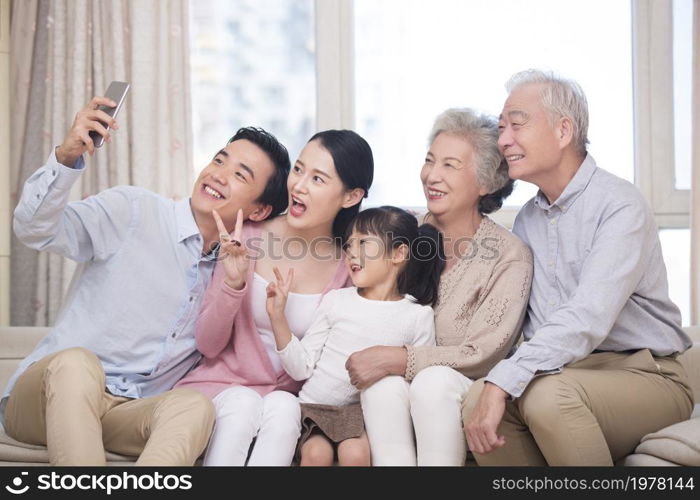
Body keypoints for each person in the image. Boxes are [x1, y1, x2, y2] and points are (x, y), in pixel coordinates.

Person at [4, 95, 291, 466]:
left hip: (125, 412)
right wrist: (66, 157)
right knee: (77, 364)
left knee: (194, 407)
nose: (218, 174)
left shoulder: (232, 271)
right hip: (47, 396)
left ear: (259, 210)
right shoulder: (132, 210)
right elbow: (34, 229)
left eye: (240, 174)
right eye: (219, 159)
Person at [462, 69, 694, 466]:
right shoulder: (528, 221)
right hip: (566, 371)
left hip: (647, 375)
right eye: (501, 129)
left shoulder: (620, 205)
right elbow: (531, 326)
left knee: (547, 398)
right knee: (474, 402)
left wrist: (507, 379)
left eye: (516, 125)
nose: (503, 141)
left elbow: (588, 314)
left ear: (563, 130)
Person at [345, 108, 533, 466]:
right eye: (430, 160)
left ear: (486, 183)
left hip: (462, 386)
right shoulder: (401, 235)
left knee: (433, 382)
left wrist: (401, 358)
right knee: (382, 387)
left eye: (450, 165)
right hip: (400, 386)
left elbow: (483, 353)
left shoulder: (509, 255)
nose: (432, 175)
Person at [175, 130, 374, 466]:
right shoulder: (247, 239)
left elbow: (320, 367)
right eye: (298, 170)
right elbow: (208, 345)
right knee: (244, 403)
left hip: (281, 402)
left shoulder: (348, 268)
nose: (298, 186)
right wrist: (233, 285)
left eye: (318, 179)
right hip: (218, 389)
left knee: (284, 408)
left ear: (351, 196)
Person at [266, 206, 442, 466]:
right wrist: (277, 316)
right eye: (349, 245)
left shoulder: (418, 315)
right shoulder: (337, 300)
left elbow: (419, 381)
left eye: (363, 243)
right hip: (313, 408)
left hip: (362, 417)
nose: (351, 253)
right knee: (316, 455)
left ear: (398, 253)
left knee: (356, 455)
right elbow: (300, 368)